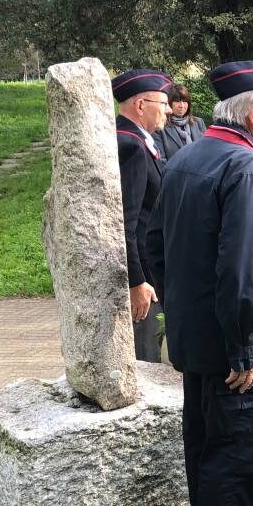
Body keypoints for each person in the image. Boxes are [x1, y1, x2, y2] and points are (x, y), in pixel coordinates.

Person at [146, 60, 253, 506]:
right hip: (234, 343)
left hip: (198, 334)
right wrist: (244, 346)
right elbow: (243, 271)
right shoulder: (247, 168)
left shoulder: (189, 156)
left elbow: (154, 245)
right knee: (236, 448)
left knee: (206, 442)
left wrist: (182, 306)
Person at [113, 68, 173, 363]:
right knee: (145, 356)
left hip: (150, 269)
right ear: (140, 105)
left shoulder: (139, 140)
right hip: (145, 276)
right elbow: (126, 221)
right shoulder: (131, 146)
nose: (169, 109)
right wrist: (136, 282)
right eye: (162, 103)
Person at [153, 84, 207, 161]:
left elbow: (206, 151)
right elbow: (161, 161)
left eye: (185, 101)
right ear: (169, 103)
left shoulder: (198, 122)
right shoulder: (160, 127)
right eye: (177, 101)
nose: (181, 105)